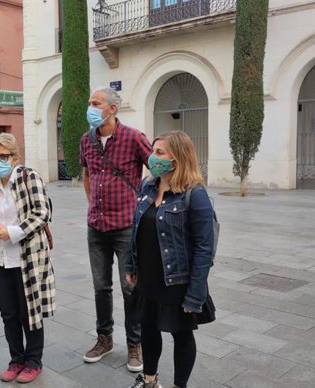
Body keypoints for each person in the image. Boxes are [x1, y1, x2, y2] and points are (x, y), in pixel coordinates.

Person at [124, 131, 214, 388]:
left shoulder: (194, 194)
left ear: (178, 158)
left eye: (160, 153)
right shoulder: (148, 186)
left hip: (177, 280)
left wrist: (195, 293)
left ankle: (179, 385)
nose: (152, 157)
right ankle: (150, 380)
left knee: (181, 334)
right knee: (148, 329)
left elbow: (204, 247)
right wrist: (131, 265)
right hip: (148, 276)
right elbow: (136, 229)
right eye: (153, 151)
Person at [79, 87, 152, 372]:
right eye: (90, 103)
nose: (91, 108)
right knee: (101, 287)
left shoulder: (134, 138)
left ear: (112, 109)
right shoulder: (87, 140)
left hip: (126, 228)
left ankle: (135, 343)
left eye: (95, 103)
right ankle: (104, 338)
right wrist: (92, 205)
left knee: (130, 288)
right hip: (96, 227)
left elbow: (156, 170)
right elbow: (87, 173)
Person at [0, 133, 55, 384]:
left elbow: (42, 213)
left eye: (3, 156)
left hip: (26, 257)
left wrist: (11, 232)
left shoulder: (28, 177)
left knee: (29, 312)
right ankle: (16, 360)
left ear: (14, 157)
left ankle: (33, 361)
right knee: (9, 313)